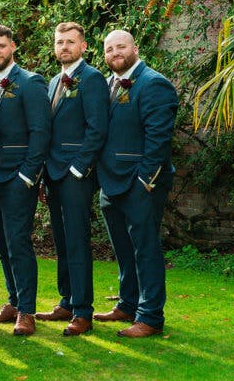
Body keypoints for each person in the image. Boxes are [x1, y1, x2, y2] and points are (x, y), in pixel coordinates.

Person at [95, 30, 178, 338]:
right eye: (109, 49)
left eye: (121, 46)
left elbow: (158, 139)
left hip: (142, 184)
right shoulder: (106, 85)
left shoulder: (154, 83)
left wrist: (145, 180)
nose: (115, 52)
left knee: (145, 249)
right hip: (111, 182)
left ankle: (151, 316)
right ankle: (128, 304)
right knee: (123, 249)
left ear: (135, 48)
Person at [36, 22, 109, 336]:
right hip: (52, 173)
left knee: (78, 243)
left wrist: (79, 169)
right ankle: (66, 300)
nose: (63, 47)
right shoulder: (54, 81)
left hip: (75, 175)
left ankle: (83, 312)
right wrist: (43, 175)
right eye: (59, 42)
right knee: (62, 243)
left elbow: (97, 129)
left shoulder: (91, 79)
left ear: (84, 46)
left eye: (69, 42)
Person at [0, 24, 50, 336]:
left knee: (18, 243)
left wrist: (28, 175)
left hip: (17, 177)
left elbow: (40, 132)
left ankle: (26, 311)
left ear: (13, 47)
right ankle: (11, 300)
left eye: (1, 46)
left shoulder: (30, 82)